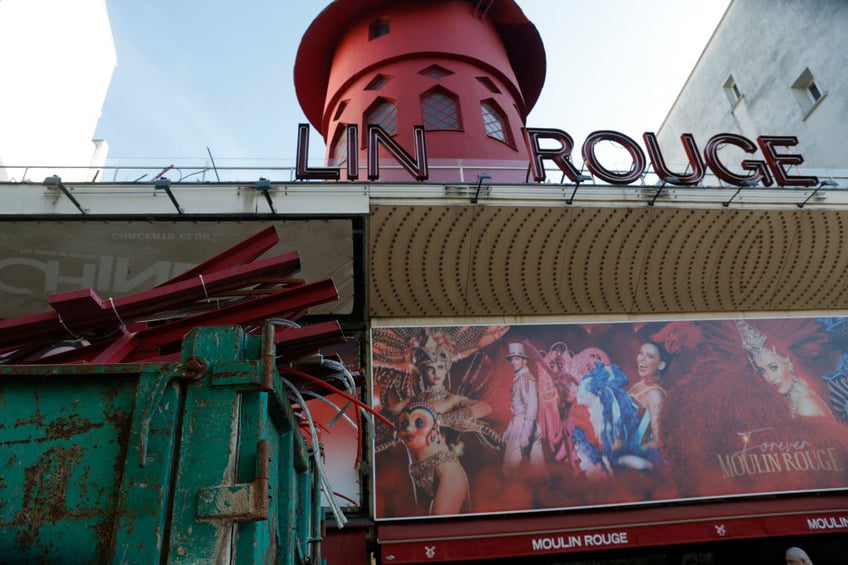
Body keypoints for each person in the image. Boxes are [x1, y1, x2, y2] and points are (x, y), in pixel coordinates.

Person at [735, 320, 832, 418]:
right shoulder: (795, 397)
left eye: (773, 367)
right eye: (762, 371)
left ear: (789, 364)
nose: (770, 378)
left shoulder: (805, 405)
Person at [502, 342, 547, 479]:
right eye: (512, 359)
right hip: (523, 424)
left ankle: (513, 497)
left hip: (524, 425)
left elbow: (531, 406)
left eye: (517, 359)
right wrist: (509, 429)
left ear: (524, 361)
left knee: (509, 468)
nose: (513, 362)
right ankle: (546, 494)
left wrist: (525, 432)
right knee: (538, 469)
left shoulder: (525, 379)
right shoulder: (520, 378)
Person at [628, 341, 668, 448]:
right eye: (641, 353)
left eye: (649, 356)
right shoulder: (637, 385)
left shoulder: (654, 394)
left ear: (661, 365)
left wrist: (630, 453)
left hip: (637, 459)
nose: (642, 359)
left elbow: (659, 442)